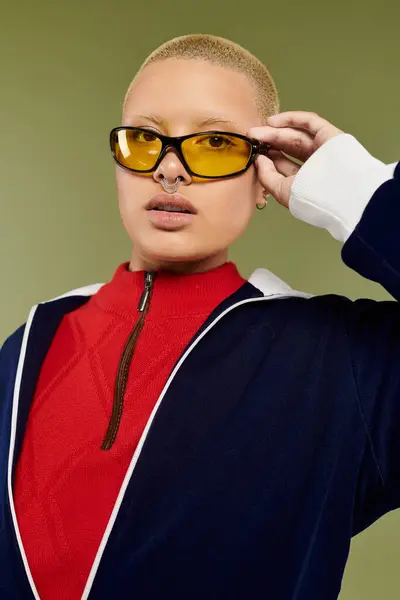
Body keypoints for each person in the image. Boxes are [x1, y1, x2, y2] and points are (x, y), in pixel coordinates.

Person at [0, 33, 399, 600]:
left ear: (266, 175)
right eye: (144, 139)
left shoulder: (346, 365)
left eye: (214, 143)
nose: (169, 170)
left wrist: (361, 194)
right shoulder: (32, 343)